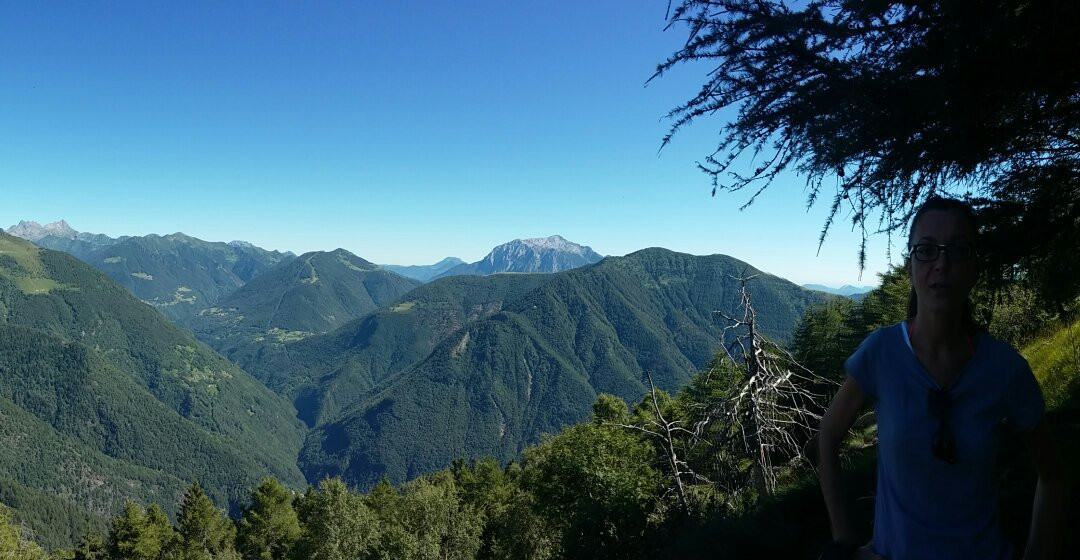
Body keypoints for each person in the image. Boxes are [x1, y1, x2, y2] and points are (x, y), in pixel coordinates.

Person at [816, 196, 1068, 560]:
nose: (942, 263)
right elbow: (828, 436)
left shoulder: (1005, 369)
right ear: (909, 267)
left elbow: (1055, 476)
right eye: (927, 250)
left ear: (975, 268)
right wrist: (845, 545)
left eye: (959, 250)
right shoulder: (880, 353)